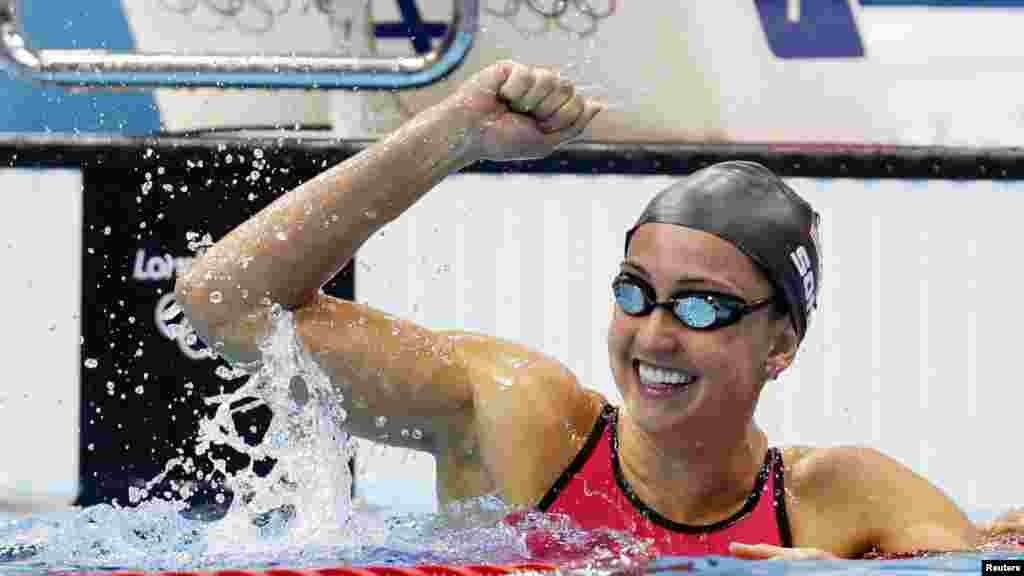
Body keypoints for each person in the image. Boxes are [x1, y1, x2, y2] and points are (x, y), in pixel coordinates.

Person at [176, 61, 995, 560]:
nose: (654, 335)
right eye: (634, 292)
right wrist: (452, 136)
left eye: (702, 308)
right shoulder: (516, 418)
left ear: (779, 344)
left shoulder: (838, 499)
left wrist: (866, 575)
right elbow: (225, 300)